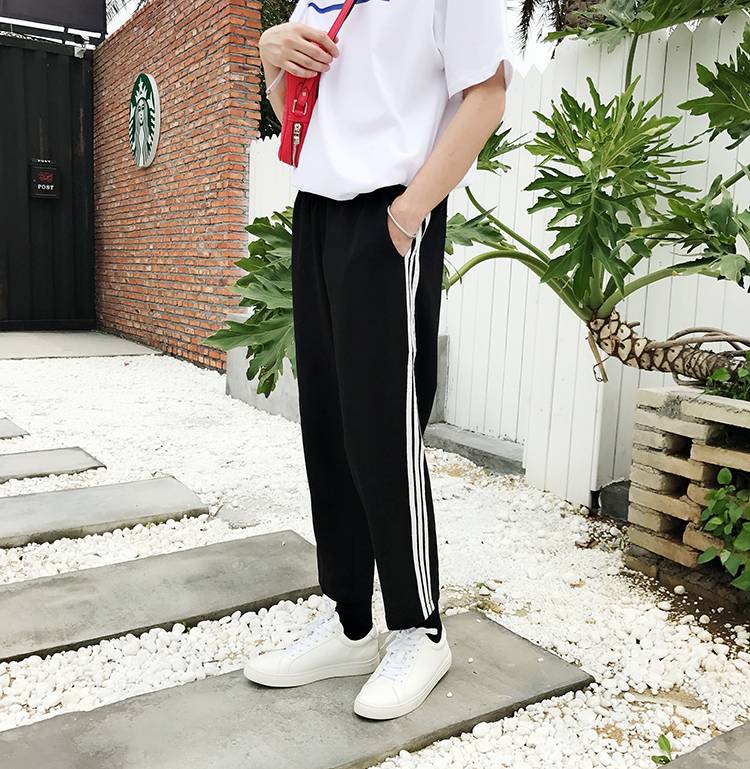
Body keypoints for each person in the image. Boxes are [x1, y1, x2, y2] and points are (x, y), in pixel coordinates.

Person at [244, 0, 514, 720]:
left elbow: (487, 94)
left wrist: (407, 212)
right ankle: (349, 621)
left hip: (389, 212)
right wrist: (272, 60)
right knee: (328, 424)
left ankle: (420, 628)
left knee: (382, 428)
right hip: (317, 211)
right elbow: (304, 116)